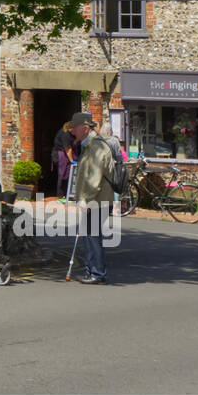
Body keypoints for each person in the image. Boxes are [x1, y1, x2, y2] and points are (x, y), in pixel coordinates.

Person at [69, 112, 114, 284]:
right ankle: (92, 271)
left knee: (93, 236)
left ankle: (97, 273)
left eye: (75, 128)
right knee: (90, 235)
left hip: (96, 201)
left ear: (85, 128)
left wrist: (86, 200)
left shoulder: (96, 147)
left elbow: (94, 179)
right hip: (94, 200)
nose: (72, 131)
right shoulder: (89, 145)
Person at [53, 124, 75, 201]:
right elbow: (68, 149)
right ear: (70, 128)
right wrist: (72, 160)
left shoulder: (70, 133)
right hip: (60, 155)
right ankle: (60, 195)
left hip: (64, 154)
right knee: (62, 174)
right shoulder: (65, 134)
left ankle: (67, 194)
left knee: (68, 174)